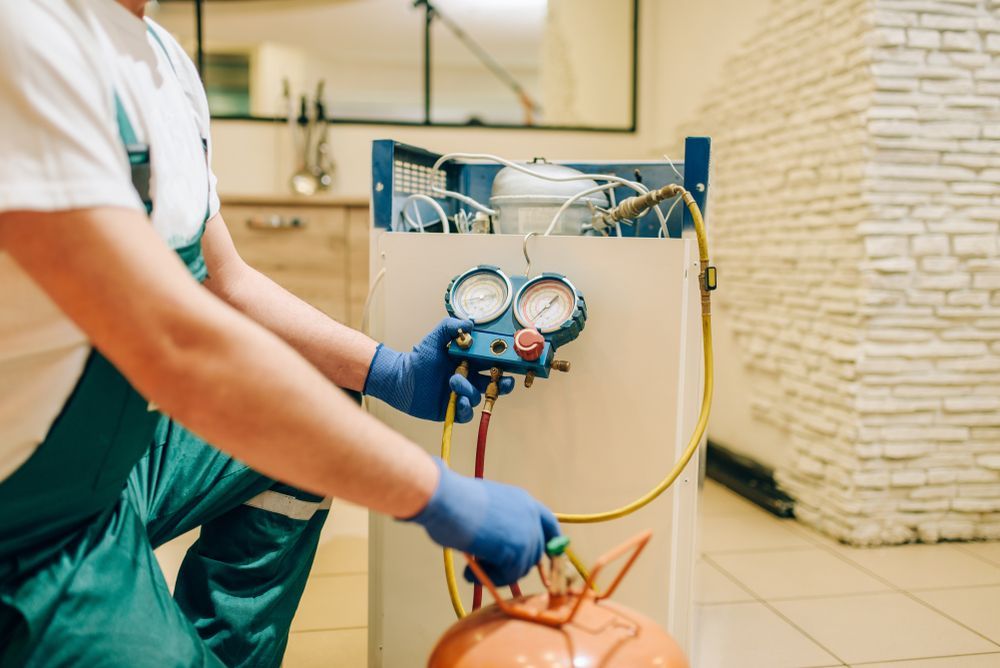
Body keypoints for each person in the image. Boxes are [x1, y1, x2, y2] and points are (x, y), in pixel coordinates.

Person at [0, 1, 560, 666]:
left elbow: (224, 280)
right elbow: (176, 347)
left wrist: (389, 370)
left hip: (113, 460)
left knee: (325, 383)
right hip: (26, 519)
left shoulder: (165, 62)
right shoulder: (25, 32)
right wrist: (437, 494)